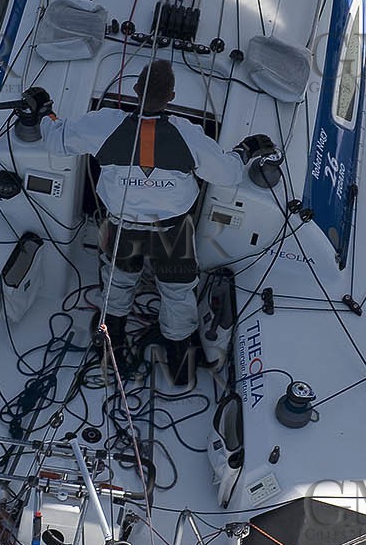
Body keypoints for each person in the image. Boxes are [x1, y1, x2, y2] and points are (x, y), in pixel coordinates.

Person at [39, 60, 246, 385]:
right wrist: (243, 152)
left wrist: (45, 114)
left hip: (124, 228)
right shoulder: (188, 135)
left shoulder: (103, 124)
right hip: (172, 232)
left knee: (118, 282)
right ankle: (180, 363)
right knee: (178, 294)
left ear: (135, 90)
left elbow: (55, 139)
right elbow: (230, 174)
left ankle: (113, 346)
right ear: (172, 96)